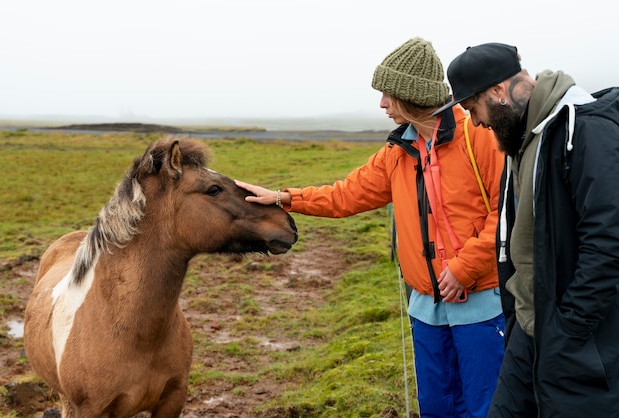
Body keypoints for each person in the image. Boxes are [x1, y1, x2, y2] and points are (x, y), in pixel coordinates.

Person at [236, 37, 505, 418]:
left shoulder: (479, 135)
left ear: (412, 96)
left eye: (388, 95)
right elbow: (345, 195)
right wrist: (283, 198)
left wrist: (464, 269)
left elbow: (507, 212)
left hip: (480, 304)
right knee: (437, 408)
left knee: (486, 409)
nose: (381, 104)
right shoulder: (399, 151)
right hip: (426, 309)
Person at [433, 42, 619, 417]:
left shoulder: (583, 130)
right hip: (529, 328)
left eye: (473, 108)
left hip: (575, 338)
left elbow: (608, 241)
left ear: (499, 92)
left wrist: (568, 329)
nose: (476, 122)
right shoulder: (521, 141)